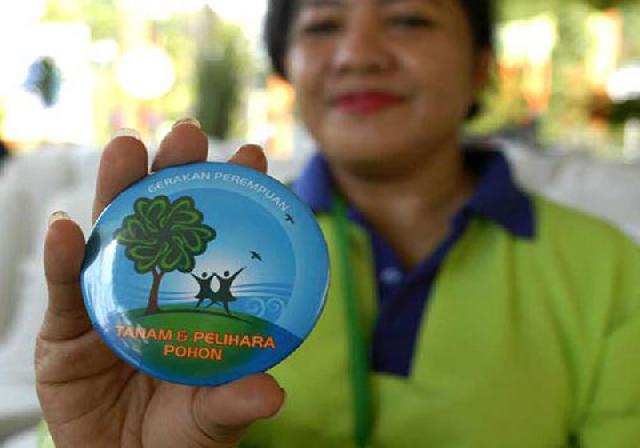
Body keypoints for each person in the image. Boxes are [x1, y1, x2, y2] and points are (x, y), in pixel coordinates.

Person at [36, 1, 640, 447]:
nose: (358, 54)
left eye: (409, 19)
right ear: (287, 68)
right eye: (323, 25)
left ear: (482, 66)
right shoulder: (230, 240)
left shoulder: (609, 269)